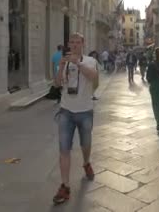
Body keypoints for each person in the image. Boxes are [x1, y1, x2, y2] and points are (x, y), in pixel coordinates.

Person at [53, 33, 99, 205]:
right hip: (66, 111)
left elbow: (93, 77)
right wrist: (60, 67)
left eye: (77, 42)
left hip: (85, 111)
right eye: (71, 42)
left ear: (82, 44)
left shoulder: (89, 61)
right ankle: (65, 186)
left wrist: (77, 63)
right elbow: (57, 84)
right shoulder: (64, 62)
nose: (73, 45)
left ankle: (86, 163)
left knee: (85, 144)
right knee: (64, 149)